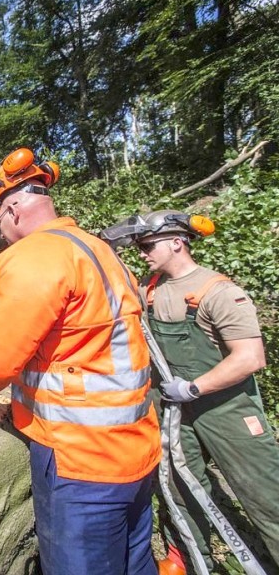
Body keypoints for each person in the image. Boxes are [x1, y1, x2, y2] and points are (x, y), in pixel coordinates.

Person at [0, 148, 161, 575]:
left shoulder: (34, 256)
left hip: (81, 463)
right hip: (136, 449)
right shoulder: (97, 250)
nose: (2, 235)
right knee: (135, 564)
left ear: (12, 210)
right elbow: (76, 350)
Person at [107, 210, 279, 575]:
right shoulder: (148, 290)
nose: (143, 253)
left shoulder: (218, 291)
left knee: (264, 491)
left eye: (148, 245)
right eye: (139, 247)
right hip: (173, 407)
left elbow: (250, 357)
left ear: (177, 242)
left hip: (225, 405)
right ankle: (187, 557)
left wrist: (194, 387)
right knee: (179, 484)